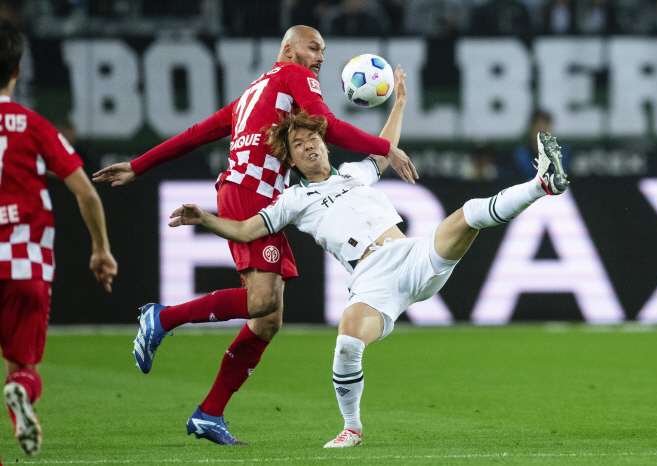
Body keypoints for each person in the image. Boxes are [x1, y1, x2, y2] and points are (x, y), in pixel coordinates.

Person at [168, 68, 569, 448]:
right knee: (347, 345)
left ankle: (541, 183)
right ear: (290, 160)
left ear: (325, 143)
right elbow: (245, 231)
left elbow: (383, 151)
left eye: (313, 138)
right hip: (372, 282)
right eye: (298, 144)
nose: (308, 145)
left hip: (409, 256)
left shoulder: (353, 173)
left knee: (469, 214)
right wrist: (205, 218)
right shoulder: (292, 199)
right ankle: (352, 428)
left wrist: (400, 104)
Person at [92, 25, 417, 445]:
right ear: (289, 49)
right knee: (262, 300)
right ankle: (162, 318)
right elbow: (328, 125)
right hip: (252, 191)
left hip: (250, 192)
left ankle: (210, 413)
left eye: (323, 50)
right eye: (314, 47)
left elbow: (196, 134)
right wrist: (386, 147)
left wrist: (139, 165)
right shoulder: (294, 75)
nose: (320, 57)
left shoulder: (253, 93)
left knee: (267, 320)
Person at [0, 21, 117, 456]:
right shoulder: (34, 126)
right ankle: (21, 394)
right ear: (17, 70)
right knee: (23, 367)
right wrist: (100, 249)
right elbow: (86, 192)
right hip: (25, 265)